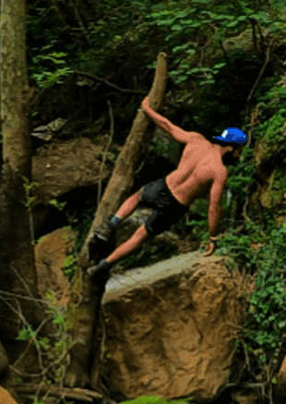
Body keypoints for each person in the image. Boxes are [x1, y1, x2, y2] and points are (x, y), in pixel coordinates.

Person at [87, 97, 246, 278]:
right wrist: (213, 237)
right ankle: (103, 266)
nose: (238, 155)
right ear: (233, 148)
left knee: (137, 197)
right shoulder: (219, 171)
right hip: (175, 206)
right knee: (140, 236)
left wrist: (147, 108)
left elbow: (168, 126)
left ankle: (112, 224)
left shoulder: (196, 140)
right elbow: (214, 206)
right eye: (239, 151)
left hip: (164, 185)